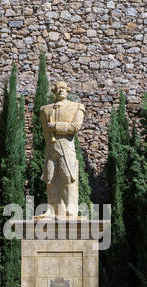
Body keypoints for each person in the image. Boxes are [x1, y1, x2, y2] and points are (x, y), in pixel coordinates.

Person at [40, 81, 85, 219]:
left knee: (67, 177)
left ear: (68, 90)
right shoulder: (45, 109)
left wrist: (56, 126)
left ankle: (70, 208)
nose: (61, 91)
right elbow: (45, 131)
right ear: (54, 91)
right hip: (51, 148)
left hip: (66, 147)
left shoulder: (76, 107)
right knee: (50, 178)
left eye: (64, 88)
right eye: (58, 88)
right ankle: (52, 209)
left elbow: (75, 127)